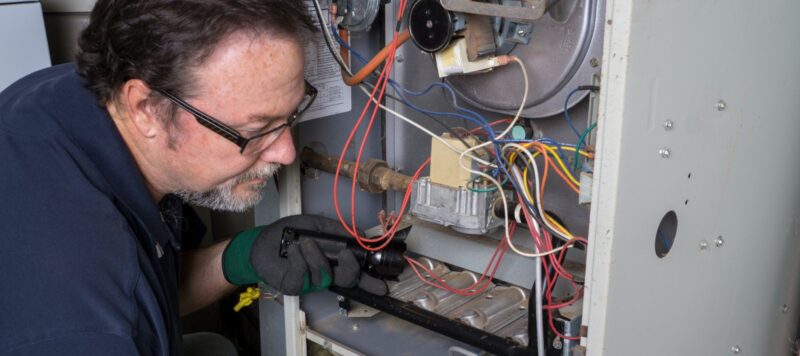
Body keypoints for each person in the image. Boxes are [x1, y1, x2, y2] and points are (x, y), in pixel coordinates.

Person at [0, 0, 383, 354]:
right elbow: (122, 303)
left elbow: (154, 286)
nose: (284, 153)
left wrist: (242, 255)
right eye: (257, 128)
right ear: (146, 109)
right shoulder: (88, 323)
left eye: (290, 114)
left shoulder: (72, 94)